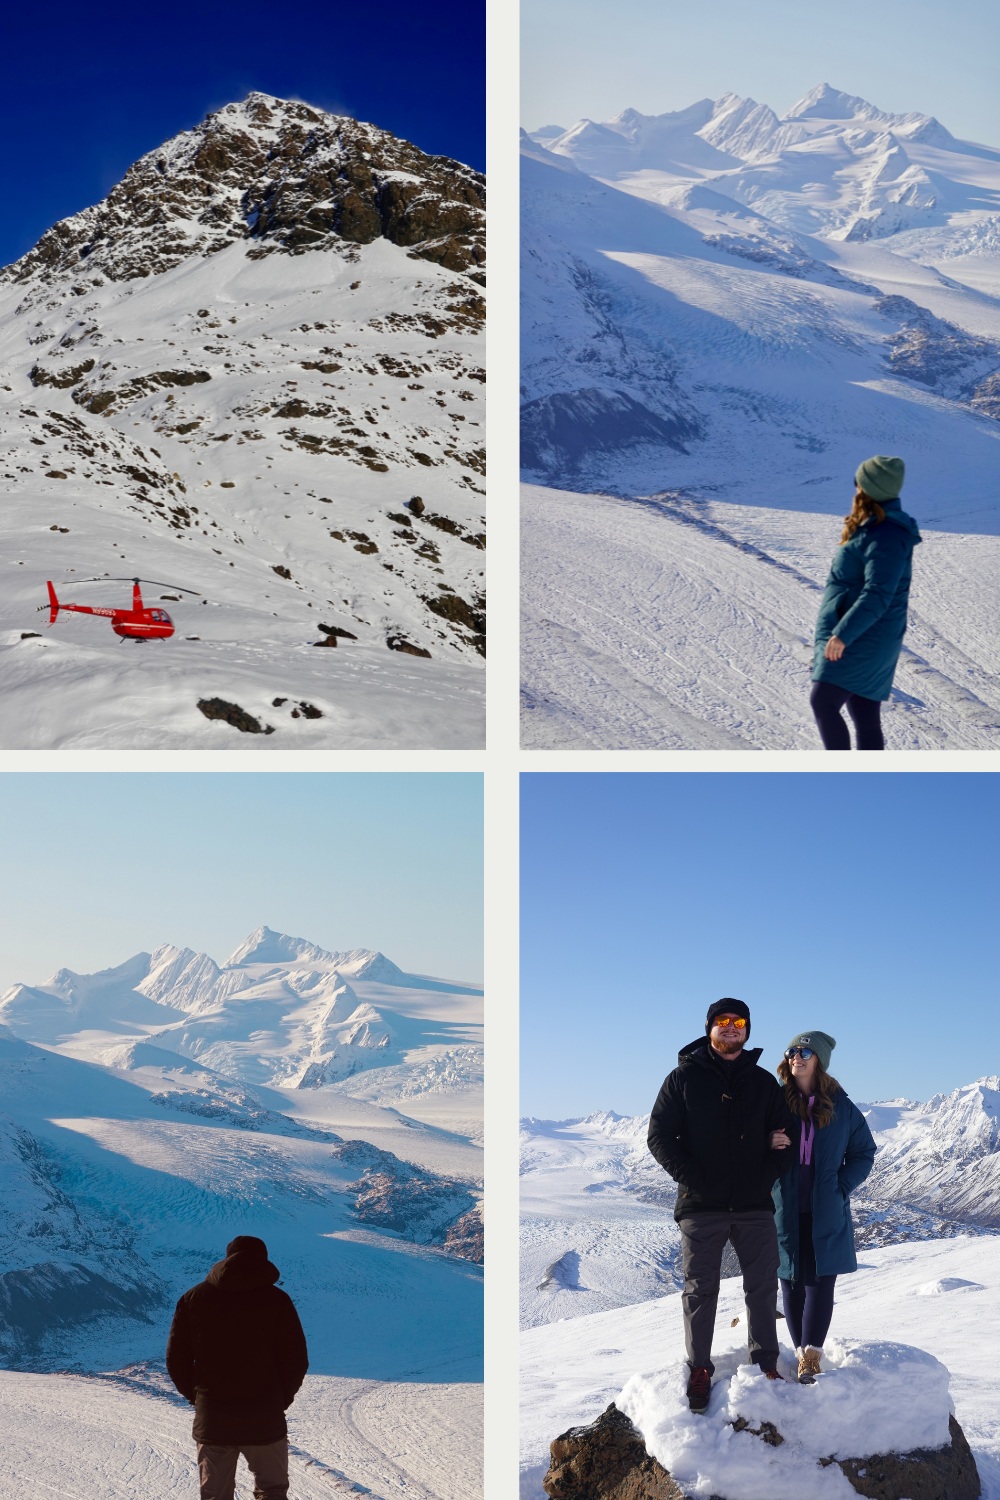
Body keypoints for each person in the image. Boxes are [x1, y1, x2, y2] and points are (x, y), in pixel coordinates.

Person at [647, 999, 795, 1412]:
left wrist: (764, 1175)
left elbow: (788, 1135)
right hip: (701, 1207)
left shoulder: (764, 1083)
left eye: (739, 1022)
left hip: (754, 1204)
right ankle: (699, 1368)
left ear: (747, 1031)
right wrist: (693, 1179)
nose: (731, 1028)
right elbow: (659, 1136)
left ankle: (766, 1363)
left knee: (763, 1287)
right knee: (700, 1291)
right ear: (710, 1027)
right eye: (723, 1022)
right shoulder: (682, 1079)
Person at [166, 1235, 309, 1500]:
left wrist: (199, 1398)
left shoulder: (193, 1298)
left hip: (214, 1418)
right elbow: (296, 1360)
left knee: (215, 1495)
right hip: (265, 1416)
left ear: (227, 1257)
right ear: (263, 1261)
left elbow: (176, 1360)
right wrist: (279, 1400)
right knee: (273, 1492)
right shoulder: (278, 1300)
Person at [772, 1032, 876, 1383]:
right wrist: (765, 1140)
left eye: (804, 1051)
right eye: (791, 1051)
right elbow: (747, 1139)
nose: (795, 1057)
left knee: (820, 1281)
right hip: (784, 1207)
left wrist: (840, 1186)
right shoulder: (775, 1101)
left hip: (826, 1209)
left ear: (819, 1060)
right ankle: (801, 1352)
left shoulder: (841, 1106)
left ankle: (811, 1359)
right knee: (790, 1281)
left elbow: (864, 1152)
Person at [810, 455, 922, 751]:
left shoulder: (886, 534)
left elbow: (878, 593)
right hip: (863, 630)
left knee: (823, 702)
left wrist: (843, 634)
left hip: (863, 635)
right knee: (863, 711)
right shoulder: (875, 526)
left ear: (867, 487)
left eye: (858, 481)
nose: (855, 487)